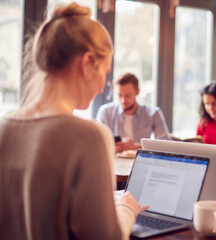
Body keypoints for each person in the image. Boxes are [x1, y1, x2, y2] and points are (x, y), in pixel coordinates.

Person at [0, 3, 147, 239]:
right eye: (105, 72)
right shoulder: (89, 136)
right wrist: (126, 209)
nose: (102, 86)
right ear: (87, 62)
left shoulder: (4, 129)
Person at [96, 73, 171, 152]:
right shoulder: (105, 112)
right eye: (119, 95)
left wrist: (134, 147)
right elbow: (95, 143)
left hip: (141, 162)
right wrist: (109, 147)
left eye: (127, 96)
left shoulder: (153, 113)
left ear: (137, 92)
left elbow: (165, 145)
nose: (123, 100)